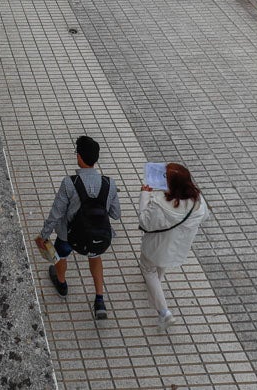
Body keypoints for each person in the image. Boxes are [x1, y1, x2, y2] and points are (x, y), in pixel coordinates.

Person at [35, 135, 122, 321]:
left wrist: (43, 235)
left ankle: (62, 284)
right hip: (97, 236)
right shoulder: (109, 183)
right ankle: (99, 299)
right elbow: (115, 214)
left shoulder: (69, 183)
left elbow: (56, 213)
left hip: (69, 235)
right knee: (95, 257)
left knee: (61, 255)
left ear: (79, 157)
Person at [138, 163, 210, 331]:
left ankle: (164, 312)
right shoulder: (197, 201)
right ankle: (157, 286)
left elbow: (144, 221)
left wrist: (145, 195)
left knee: (148, 270)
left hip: (156, 245)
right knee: (161, 266)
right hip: (178, 247)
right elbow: (204, 217)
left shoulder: (160, 204)